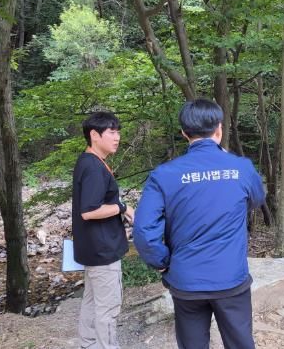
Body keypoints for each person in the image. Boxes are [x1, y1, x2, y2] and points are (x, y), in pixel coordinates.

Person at [133, 98, 265, 349]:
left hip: (186, 281)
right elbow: (257, 199)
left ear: (184, 133)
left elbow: (143, 230)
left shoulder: (164, 175)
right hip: (230, 277)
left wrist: (162, 262)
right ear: (219, 128)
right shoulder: (241, 168)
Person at [72, 111, 134, 349]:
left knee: (91, 302)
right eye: (112, 132)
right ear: (94, 135)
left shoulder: (87, 161)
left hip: (92, 248)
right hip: (102, 249)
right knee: (108, 307)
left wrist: (121, 208)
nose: (117, 137)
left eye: (118, 132)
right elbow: (89, 211)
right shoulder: (93, 167)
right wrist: (122, 207)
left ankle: (88, 344)